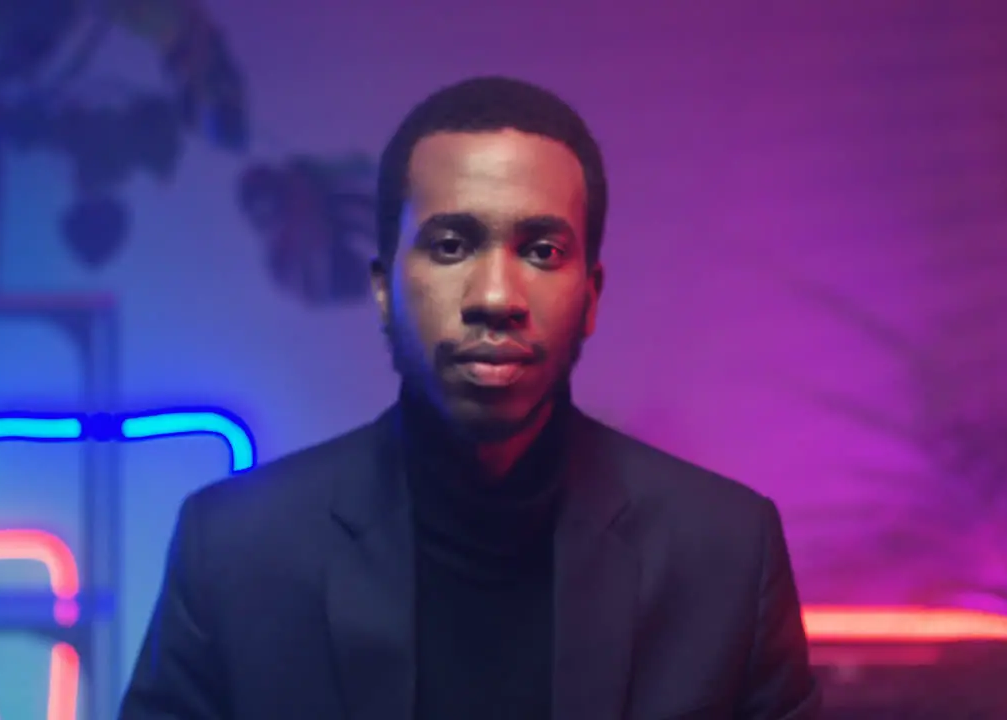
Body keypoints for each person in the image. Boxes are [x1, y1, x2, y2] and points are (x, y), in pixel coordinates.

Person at [120, 76, 820, 720]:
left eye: (542, 251)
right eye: (451, 245)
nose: (494, 298)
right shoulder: (238, 552)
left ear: (592, 295)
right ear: (382, 289)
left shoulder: (724, 553)